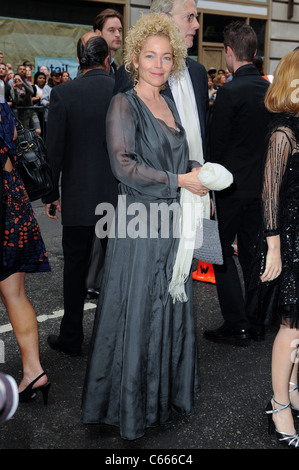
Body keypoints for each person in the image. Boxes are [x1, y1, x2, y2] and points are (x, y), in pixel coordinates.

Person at [81, 12, 209, 441]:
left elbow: (171, 157)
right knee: (137, 314)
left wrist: (197, 171)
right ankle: (129, 407)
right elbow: (124, 167)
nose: (159, 64)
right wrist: (179, 180)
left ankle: (159, 400)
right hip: (139, 229)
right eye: (151, 56)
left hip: (172, 226)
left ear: (174, 61)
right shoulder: (125, 103)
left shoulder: (168, 102)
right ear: (135, 58)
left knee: (167, 306)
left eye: (167, 57)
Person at [44, 36, 118, 357]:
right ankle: (115, 338)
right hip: (116, 199)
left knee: (75, 269)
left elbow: (54, 151)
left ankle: (71, 337)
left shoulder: (64, 94)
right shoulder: (121, 91)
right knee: (116, 271)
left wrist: (50, 193)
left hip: (77, 197)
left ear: (79, 60)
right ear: (106, 60)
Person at [204, 21, 271, 342]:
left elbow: (216, 146)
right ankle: (256, 319)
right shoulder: (270, 90)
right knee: (253, 254)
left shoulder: (229, 91)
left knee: (213, 250)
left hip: (228, 189)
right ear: (255, 52)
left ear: (228, 52)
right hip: (261, 189)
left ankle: (237, 322)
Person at [246, 50, 299, 448]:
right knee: (291, 327)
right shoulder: (283, 132)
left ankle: (293, 387)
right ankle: (278, 405)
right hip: (291, 240)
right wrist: (274, 248)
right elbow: (269, 193)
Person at [114, 0, 209, 164]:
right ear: (165, 19)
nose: (197, 25)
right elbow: (122, 151)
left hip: (201, 184)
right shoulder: (133, 72)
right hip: (155, 186)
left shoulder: (198, 72)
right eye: (189, 17)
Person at [0, 99, 51, 404]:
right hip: (13, 202)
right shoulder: (4, 109)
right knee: (14, 294)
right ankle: (34, 371)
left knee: (13, 294)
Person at [93, 8, 123, 76]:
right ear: (98, 34)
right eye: (111, 30)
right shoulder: (92, 66)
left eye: (120, 30)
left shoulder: (113, 65)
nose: (118, 35)